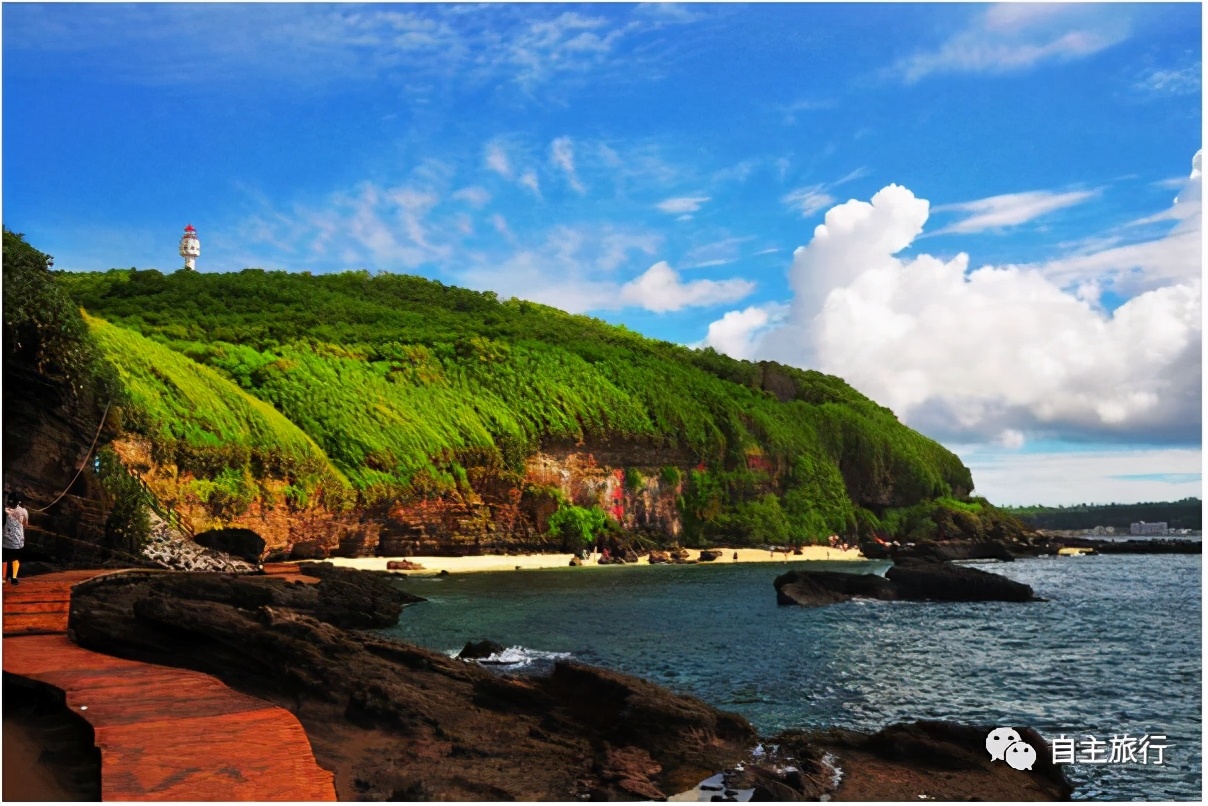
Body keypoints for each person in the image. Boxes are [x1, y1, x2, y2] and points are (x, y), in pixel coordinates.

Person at [4, 494, 29, 585]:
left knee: (4, 559)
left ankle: (3, 577)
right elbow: (26, 524)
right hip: (18, 541)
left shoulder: (6, 510)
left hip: (5, 541)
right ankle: (14, 578)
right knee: (15, 559)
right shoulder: (23, 511)